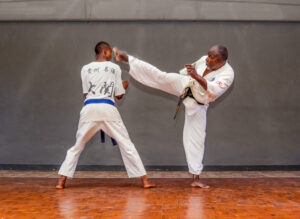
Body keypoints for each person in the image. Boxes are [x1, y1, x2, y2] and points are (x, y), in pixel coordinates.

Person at [113, 45, 234, 188]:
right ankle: (126, 58)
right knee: (160, 76)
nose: (207, 59)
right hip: (187, 84)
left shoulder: (228, 74)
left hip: (199, 103)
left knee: (196, 138)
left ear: (222, 60)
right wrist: (186, 74)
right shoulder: (203, 60)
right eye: (208, 55)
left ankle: (196, 177)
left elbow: (213, 91)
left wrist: (195, 75)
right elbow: (189, 71)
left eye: (212, 57)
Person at [56, 41, 155, 189]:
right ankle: (145, 181)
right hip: (107, 108)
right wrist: (125, 86)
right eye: (109, 52)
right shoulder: (114, 68)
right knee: (126, 144)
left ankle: (61, 181)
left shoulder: (85, 68)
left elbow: (86, 94)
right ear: (105, 52)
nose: (111, 55)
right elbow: (119, 95)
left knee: (77, 146)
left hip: (89, 108)